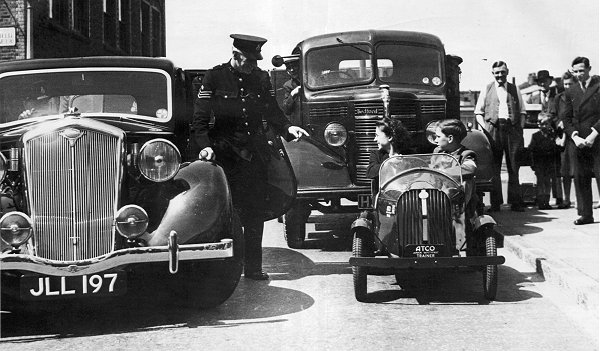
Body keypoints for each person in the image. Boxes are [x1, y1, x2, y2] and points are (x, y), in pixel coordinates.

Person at [191, 34, 309, 279]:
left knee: (255, 211)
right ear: (236, 55)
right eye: (249, 61)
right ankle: (226, 269)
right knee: (227, 213)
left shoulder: (260, 78)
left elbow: (271, 109)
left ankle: (253, 268)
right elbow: (200, 120)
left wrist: (287, 128)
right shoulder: (215, 77)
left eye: (256, 61)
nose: (254, 66)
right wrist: (204, 146)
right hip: (225, 157)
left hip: (254, 156)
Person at [474, 61, 527, 212]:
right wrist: (486, 129)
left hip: (512, 130)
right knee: (494, 168)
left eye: (502, 72)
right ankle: (496, 204)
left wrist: (520, 128)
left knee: (514, 167)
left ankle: (516, 203)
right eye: (497, 73)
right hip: (494, 131)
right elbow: (478, 112)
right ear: (493, 73)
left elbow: (522, 111)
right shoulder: (487, 88)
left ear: (507, 72)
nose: (500, 75)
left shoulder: (514, 88)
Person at [560, 56, 600, 225]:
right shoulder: (570, 91)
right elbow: (566, 118)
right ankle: (585, 214)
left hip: (597, 138)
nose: (578, 74)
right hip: (578, 141)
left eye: (581, 70)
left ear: (589, 69)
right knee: (580, 177)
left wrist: (593, 135)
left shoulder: (598, 87)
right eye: (575, 71)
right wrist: (575, 137)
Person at [433, 119, 478, 250]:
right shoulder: (437, 153)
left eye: (438, 137)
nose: (435, 140)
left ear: (450, 138)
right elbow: (429, 169)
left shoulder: (466, 154)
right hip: (435, 195)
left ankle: (458, 244)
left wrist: (443, 172)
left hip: (456, 201)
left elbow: (470, 168)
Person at [365, 117, 410, 192]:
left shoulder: (407, 153)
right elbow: (370, 172)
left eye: (377, 135)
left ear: (389, 137)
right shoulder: (376, 154)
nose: (374, 139)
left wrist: (403, 163)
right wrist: (389, 162)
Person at [528, 113, 561, 210]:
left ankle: (546, 201)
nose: (544, 126)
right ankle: (541, 201)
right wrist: (532, 164)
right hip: (539, 163)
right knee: (540, 182)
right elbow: (531, 150)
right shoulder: (536, 136)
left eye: (547, 124)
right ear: (539, 125)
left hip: (549, 163)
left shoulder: (552, 136)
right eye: (542, 124)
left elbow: (556, 148)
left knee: (547, 182)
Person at [555, 71, 577, 209]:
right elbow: (554, 115)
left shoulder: (579, 97)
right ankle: (566, 199)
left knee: (577, 171)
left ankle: (578, 201)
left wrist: (569, 123)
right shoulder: (559, 98)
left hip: (576, 136)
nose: (568, 86)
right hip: (563, 138)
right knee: (565, 171)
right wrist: (559, 123)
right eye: (566, 84)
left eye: (570, 84)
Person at [281, 56, 301, 123]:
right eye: (289, 68)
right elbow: (287, 110)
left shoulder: (311, 80)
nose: (292, 70)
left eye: (294, 66)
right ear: (287, 71)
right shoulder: (288, 85)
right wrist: (292, 94)